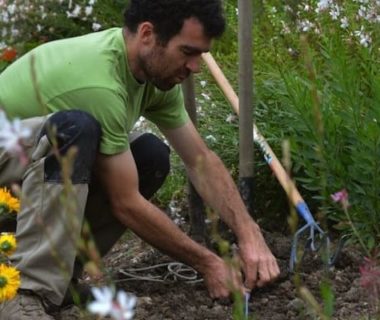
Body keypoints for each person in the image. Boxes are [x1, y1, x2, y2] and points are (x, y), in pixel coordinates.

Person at [0, 0, 280, 318]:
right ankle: (28, 294)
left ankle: (61, 278)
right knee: (74, 130)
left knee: (150, 156)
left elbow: (200, 160)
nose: (195, 67)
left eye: (200, 55)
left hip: (29, 173)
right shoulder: (99, 82)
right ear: (147, 34)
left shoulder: (153, 75)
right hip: (8, 177)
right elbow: (126, 202)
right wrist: (208, 263)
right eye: (188, 52)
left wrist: (249, 232)